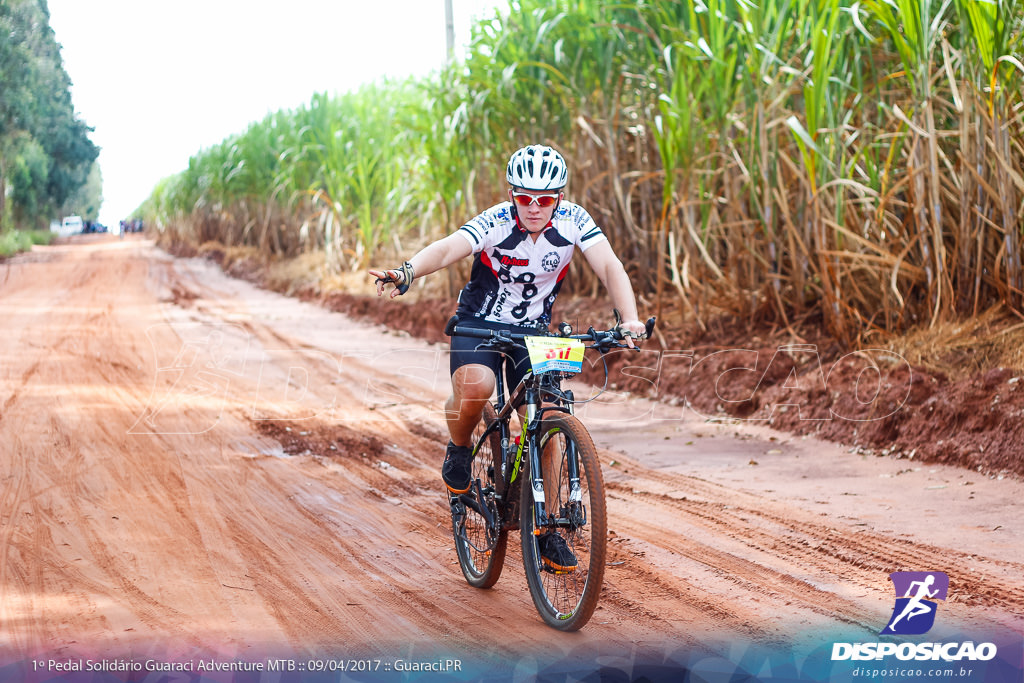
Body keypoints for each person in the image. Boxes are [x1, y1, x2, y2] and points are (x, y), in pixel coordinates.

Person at [369, 144, 646, 571]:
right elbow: (448, 248)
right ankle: (459, 449)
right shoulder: (497, 220)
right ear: (512, 193)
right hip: (478, 323)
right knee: (477, 386)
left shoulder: (575, 221)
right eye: (524, 198)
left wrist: (628, 319)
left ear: (559, 197)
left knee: (550, 416)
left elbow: (609, 266)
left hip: (532, 333)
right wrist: (408, 271)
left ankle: (548, 529)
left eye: (545, 199)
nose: (534, 208)